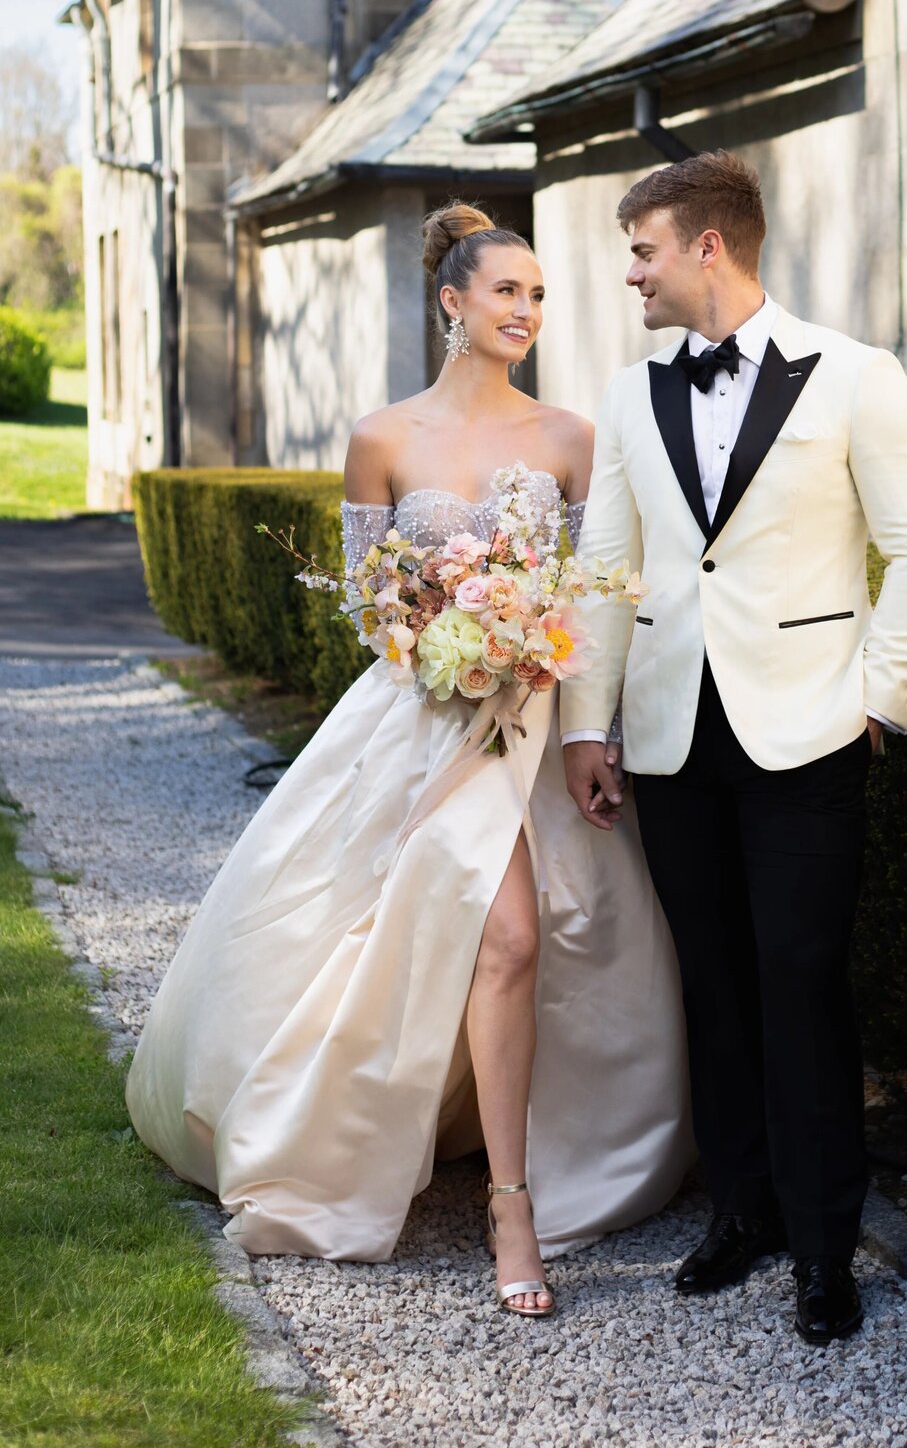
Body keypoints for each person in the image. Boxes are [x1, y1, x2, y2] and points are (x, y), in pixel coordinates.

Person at [126, 203, 691, 1318]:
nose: (526, 311)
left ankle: (514, 1184)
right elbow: (369, 605)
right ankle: (505, 1202)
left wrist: (565, 699)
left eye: (538, 296)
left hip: (533, 719)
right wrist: (444, 641)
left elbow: (594, 599)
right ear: (453, 301)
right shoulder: (383, 438)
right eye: (506, 292)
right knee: (501, 933)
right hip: (423, 720)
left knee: (524, 944)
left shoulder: (572, 437)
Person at [562, 152, 907, 1345]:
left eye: (642, 250)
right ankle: (744, 1211)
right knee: (715, 985)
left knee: (800, 978)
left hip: (810, 730)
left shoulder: (855, 375)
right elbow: (604, 568)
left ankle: (826, 1245)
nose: (629, 274)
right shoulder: (633, 394)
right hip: (674, 735)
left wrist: (879, 702)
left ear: (708, 247)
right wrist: (591, 719)